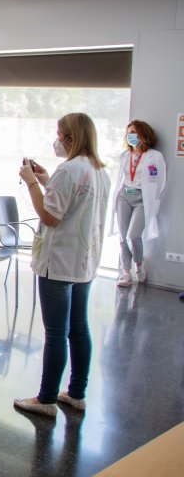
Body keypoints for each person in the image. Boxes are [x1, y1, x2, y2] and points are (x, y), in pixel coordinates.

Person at [14, 112, 110, 418]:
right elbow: (73, 203)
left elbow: (51, 216)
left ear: (70, 137)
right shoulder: (98, 170)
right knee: (78, 327)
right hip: (83, 261)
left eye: (60, 134)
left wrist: (31, 183)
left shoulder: (68, 170)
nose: (57, 139)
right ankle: (77, 392)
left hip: (58, 261)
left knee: (56, 332)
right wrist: (46, 179)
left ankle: (46, 399)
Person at [111, 120, 166, 287]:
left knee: (133, 235)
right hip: (124, 196)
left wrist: (153, 199)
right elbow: (121, 177)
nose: (130, 136)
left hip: (142, 199)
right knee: (122, 236)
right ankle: (126, 272)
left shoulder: (155, 156)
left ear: (143, 134)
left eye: (133, 132)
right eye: (128, 133)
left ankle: (139, 266)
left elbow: (160, 181)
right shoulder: (124, 155)